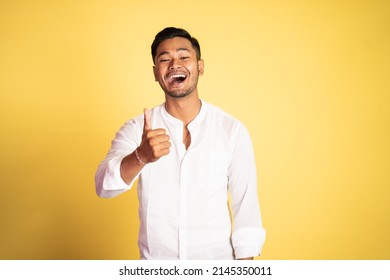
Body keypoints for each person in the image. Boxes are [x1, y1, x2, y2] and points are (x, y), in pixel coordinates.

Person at [95, 27, 266, 260]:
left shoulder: (231, 130)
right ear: (156, 73)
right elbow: (104, 187)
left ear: (200, 66)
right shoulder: (137, 129)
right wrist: (141, 156)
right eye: (165, 60)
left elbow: (245, 208)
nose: (174, 64)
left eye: (184, 57)